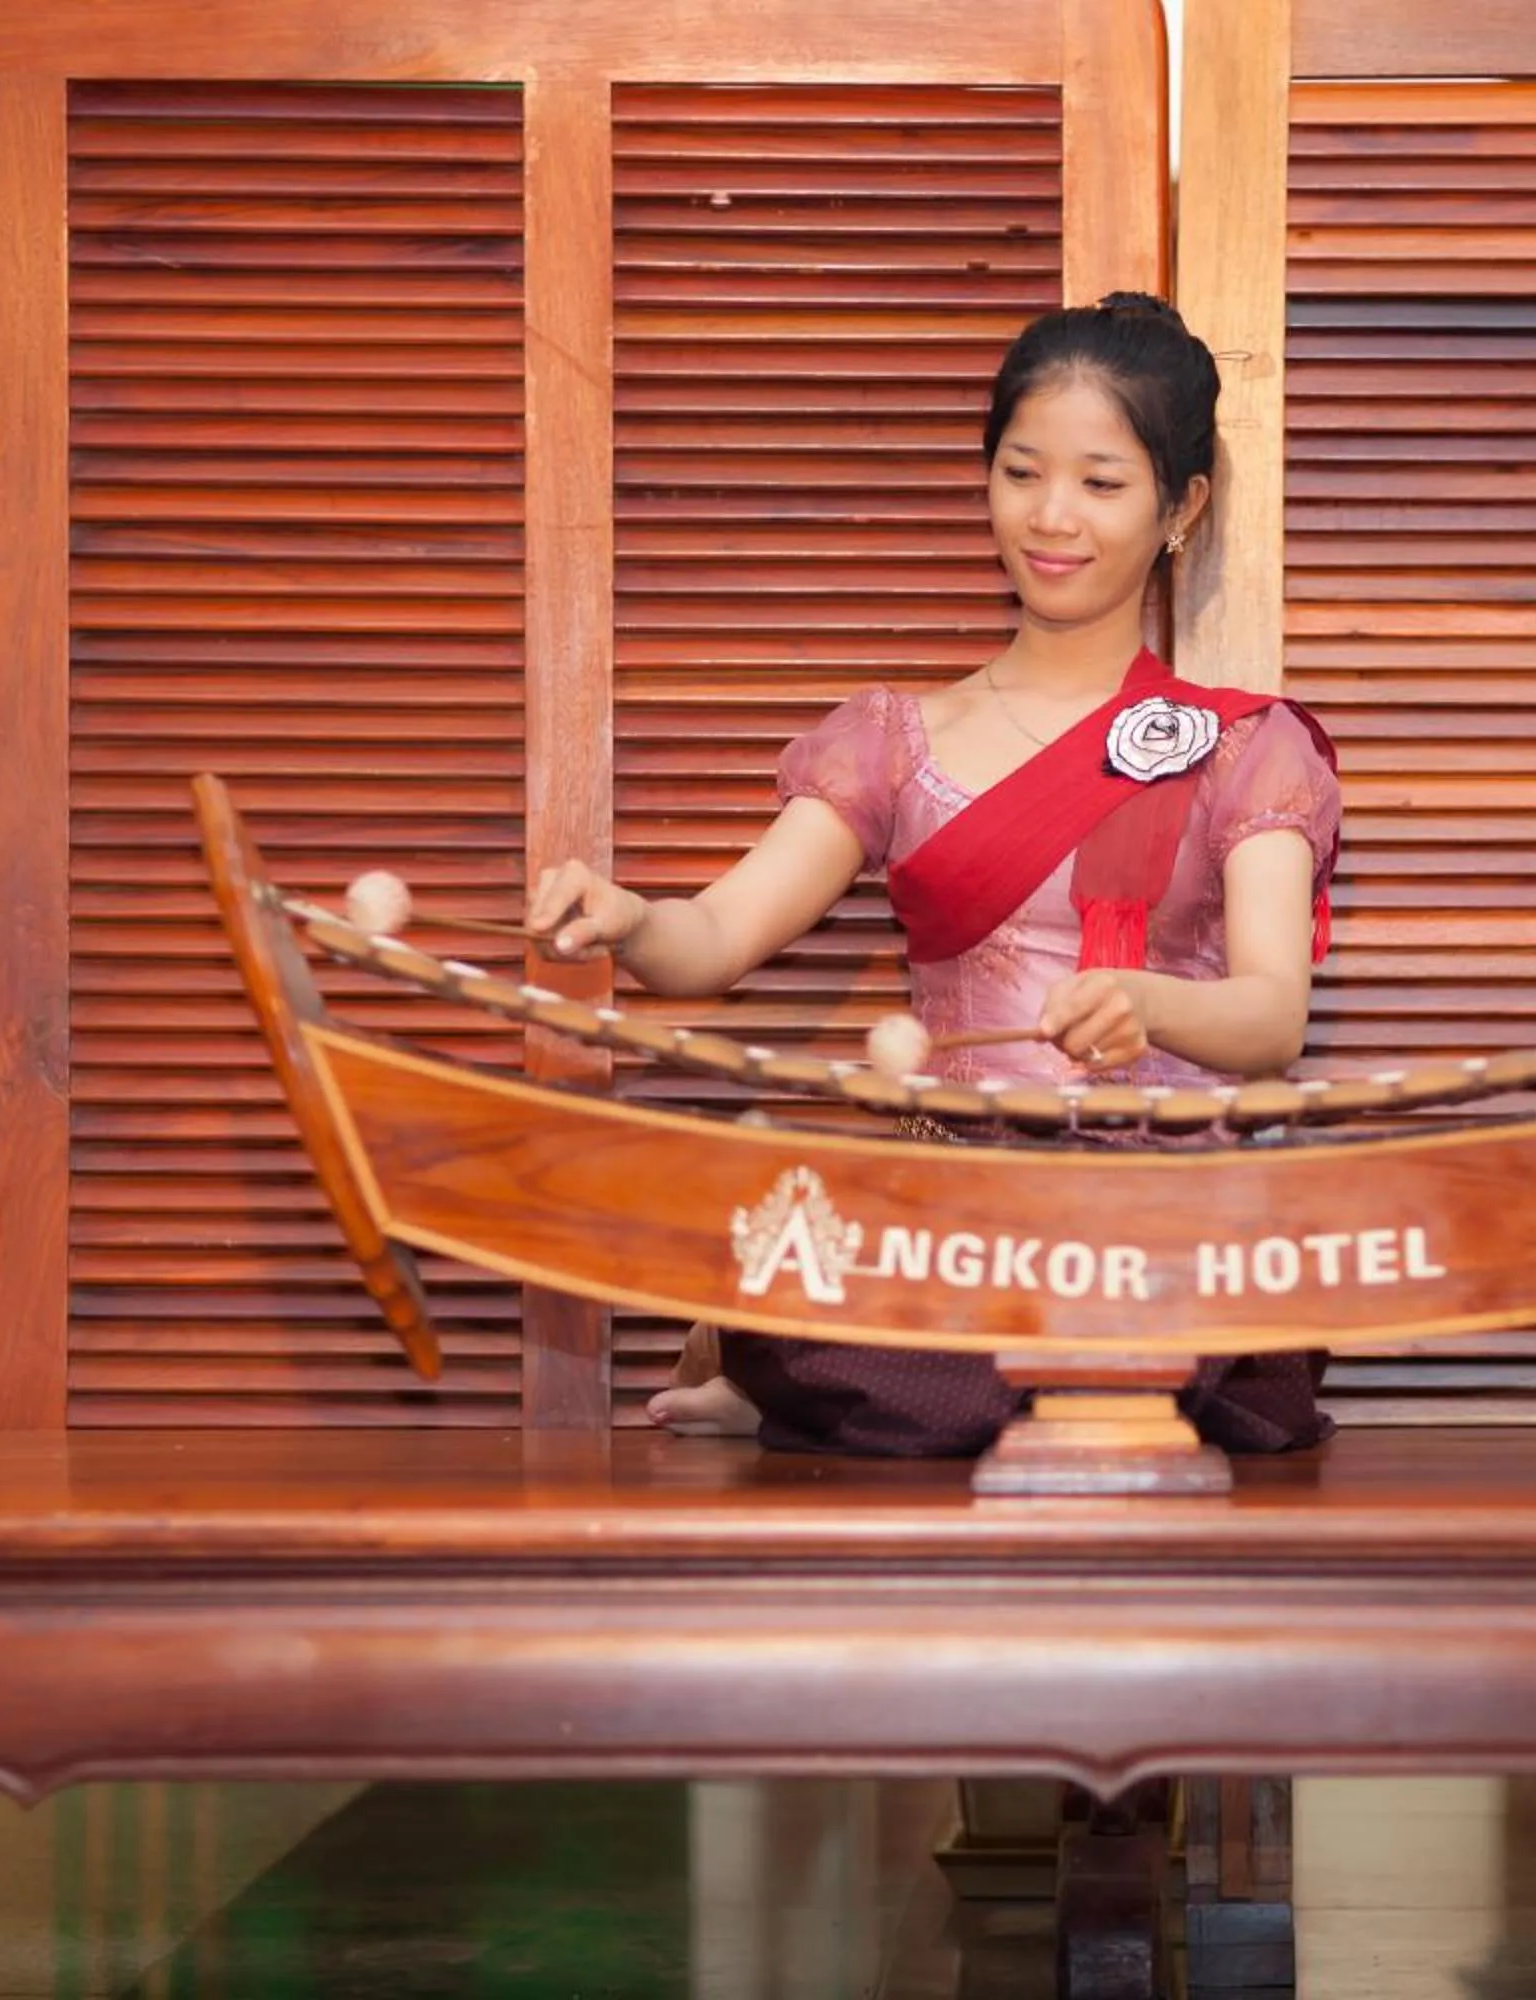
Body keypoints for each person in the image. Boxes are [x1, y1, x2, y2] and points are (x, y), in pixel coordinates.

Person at [528, 293, 1341, 1457]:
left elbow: (1271, 1019)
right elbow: (709, 940)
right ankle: (787, 1370)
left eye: (1103, 483)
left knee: (1125, 1344)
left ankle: (790, 1385)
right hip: (953, 1229)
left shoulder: (1244, 743)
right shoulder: (893, 736)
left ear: (1182, 507)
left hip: (1159, 1225)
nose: (1054, 517)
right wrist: (625, 916)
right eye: (1023, 471)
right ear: (988, 480)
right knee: (820, 1277)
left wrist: (1153, 1003)